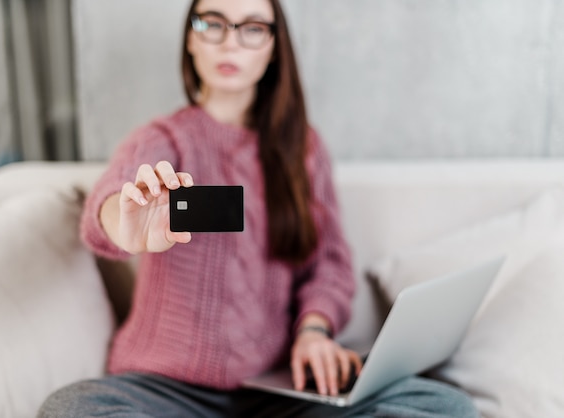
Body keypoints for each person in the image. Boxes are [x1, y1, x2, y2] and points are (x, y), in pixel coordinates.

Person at [38, 0, 479, 416]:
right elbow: (112, 200)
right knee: (71, 409)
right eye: (212, 23)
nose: (230, 42)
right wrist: (125, 227)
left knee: (443, 405)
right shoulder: (164, 140)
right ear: (190, 39)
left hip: (276, 389)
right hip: (164, 389)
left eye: (251, 28)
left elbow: (328, 264)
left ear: (273, 48)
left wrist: (313, 331)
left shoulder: (302, 150)